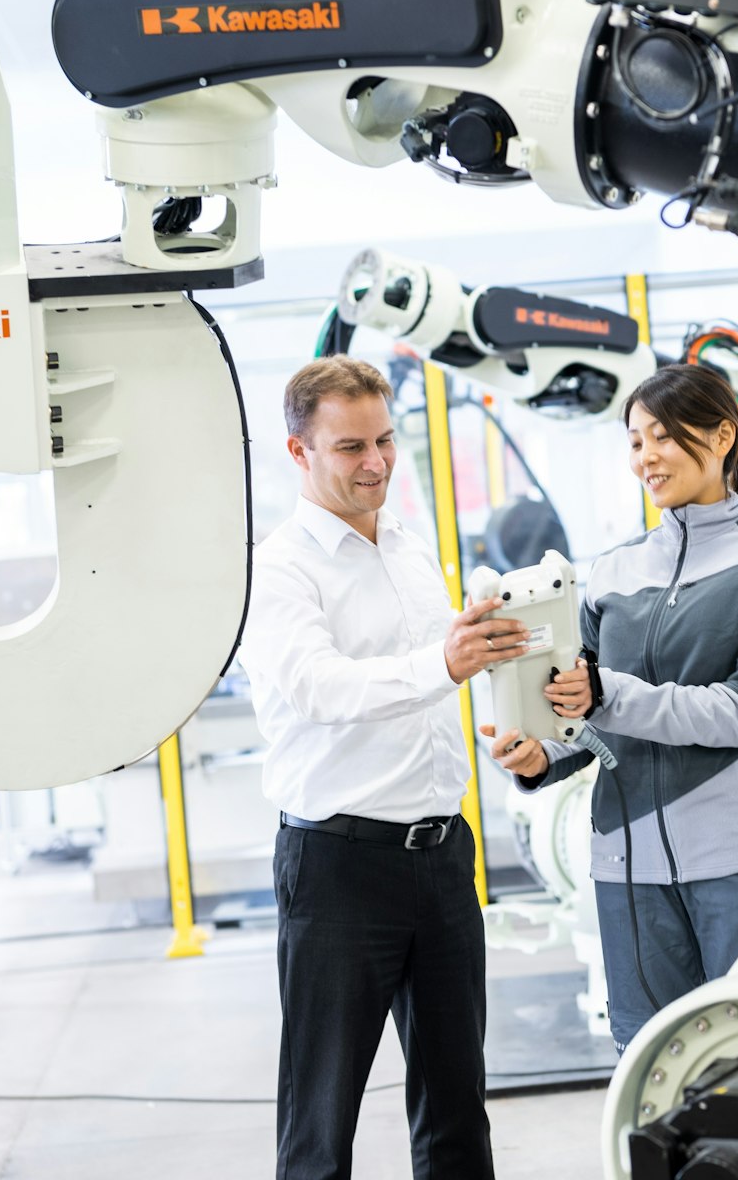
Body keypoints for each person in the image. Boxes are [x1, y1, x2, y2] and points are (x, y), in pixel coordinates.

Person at [239, 356, 528, 1180]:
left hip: (441, 857)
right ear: (299, 453)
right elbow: (319, 688)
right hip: (339, 866)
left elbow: (434, 692)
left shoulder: (407, 546)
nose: (376, 463)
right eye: (349, 447)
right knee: (322, 1119)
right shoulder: (279, 567)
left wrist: (502, 718)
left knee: (456, 1109)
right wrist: (444, 662)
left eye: (386, 440)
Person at [487, 363, 738, 1048]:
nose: (646, 457)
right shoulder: (609, 571)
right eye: (635, 441)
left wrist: (607, 694)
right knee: (650, 1057)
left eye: (663, 437)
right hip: (625, 865)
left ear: (723, 435)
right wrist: (537, 754)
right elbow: (581, 715)